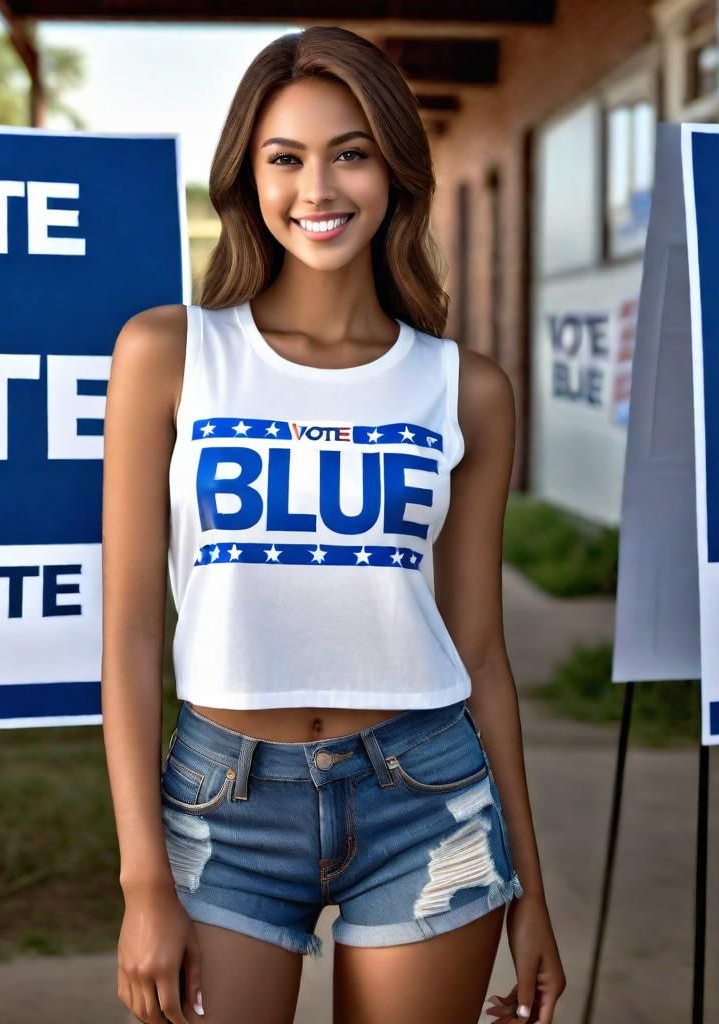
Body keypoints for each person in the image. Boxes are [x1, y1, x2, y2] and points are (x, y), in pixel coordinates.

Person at [101, 25, 564, 1024]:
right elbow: (133, 635)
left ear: (395, 169)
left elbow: (478, 648)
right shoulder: (169, 353)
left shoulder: (464, 387)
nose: (318, 188)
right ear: (247, 178)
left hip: (427, 796)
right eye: (286, 158)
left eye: (349, 152)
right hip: (223, 799)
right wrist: (144, 880)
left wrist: (526, 888)